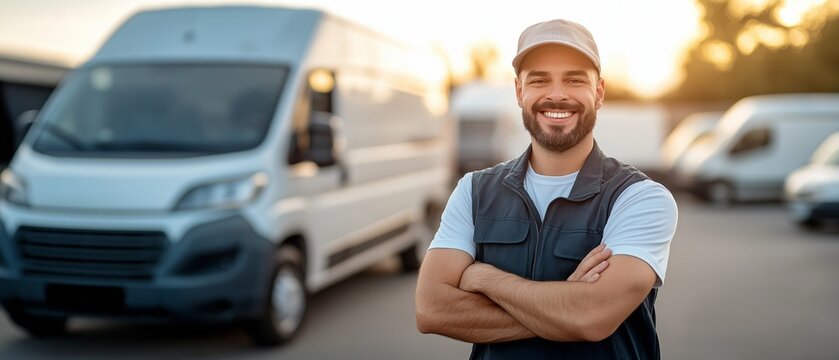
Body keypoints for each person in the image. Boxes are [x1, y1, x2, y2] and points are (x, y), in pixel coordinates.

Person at [415, 19, 678, 359]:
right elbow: (431, 310)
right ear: (519, 92)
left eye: (574, 79)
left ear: (598, 93)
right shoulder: (473, 191)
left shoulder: (640, 198)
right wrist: (565, 305)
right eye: (539, 80)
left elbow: (591, 317)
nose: (557, 94)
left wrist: (485, 279)